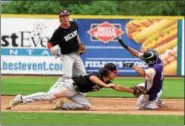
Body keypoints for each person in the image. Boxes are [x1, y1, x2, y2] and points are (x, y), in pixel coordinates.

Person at [6, 63, 138, 110]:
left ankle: (63, 106)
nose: (116, 74)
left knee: (86, 106)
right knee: (51, 95)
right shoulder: (97, 75)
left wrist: (131, 90)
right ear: (108, 72)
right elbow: (92, 78)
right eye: (115, 72)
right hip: (70, 86)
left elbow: (117, 87)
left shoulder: (108, 82)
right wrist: (105, 85)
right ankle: (21, 98)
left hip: (77, 93)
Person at [47, 9, 87, 95]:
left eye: (67, 16)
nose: (65, 18)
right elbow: (49, 43)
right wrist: (51, 49)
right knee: (66, 77)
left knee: (83, 76)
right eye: (63, 16)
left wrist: (80, 43)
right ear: (60, 19)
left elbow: (76, 36)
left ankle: (81, 96)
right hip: (66, 56)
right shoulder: (59, 32)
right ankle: (50, 93)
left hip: (76, 54)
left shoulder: (74, 24)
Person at [117, 39, 165, 110]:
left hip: (152, 91)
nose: (145, 61)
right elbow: (137, 54)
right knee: (141, 88)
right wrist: (126, 47)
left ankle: (155, 103)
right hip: (156, 86)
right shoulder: (156, 59)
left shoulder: (155, 69)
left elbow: (142, 72)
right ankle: (155, 101)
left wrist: (132, 65)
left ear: (150, 60)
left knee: (141, 107)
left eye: (146, 60)